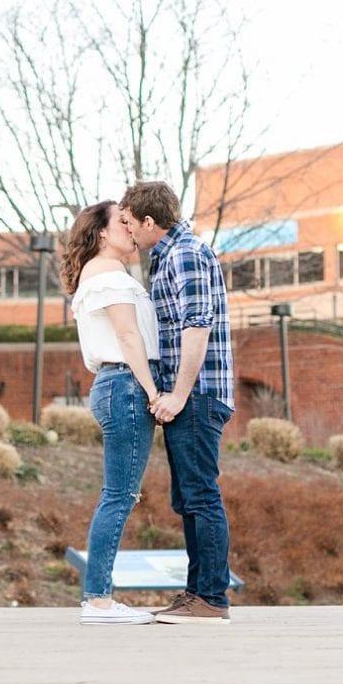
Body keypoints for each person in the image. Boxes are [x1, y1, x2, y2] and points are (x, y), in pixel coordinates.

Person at [119, 180, 234, 625]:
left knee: (202, 496)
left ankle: (211, 598)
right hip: (192, 395)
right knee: (189, 498)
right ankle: (197, 594)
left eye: (130, 222)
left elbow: (197, 325)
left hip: (198, 395)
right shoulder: (169, 255)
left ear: (150, 222)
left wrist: (179, 395)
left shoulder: (185, 253)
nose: (127, 231)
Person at [64, 201, 162, 626]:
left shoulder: (100, 275)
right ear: (101, 233)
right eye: (122, 222)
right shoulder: (107, 275)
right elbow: (126, 334)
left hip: (114, 384)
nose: (131, 227)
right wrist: (153, 391)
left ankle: (98, 599)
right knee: (119, 495)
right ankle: (99, 601)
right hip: (125, 384)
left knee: (118, 494)